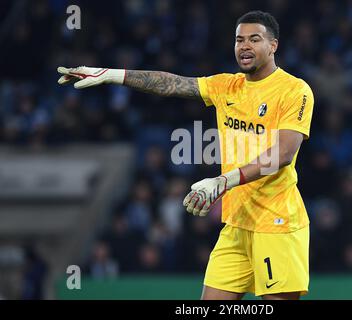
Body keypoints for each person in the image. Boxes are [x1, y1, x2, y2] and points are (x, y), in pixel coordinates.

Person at [57, 10, 314, 300]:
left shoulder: (294, 90)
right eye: (239, 39)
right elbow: (172, 83)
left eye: (254, 39)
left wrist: (223, 181)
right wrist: (111, 75)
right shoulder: (227, 86)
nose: (244, 46)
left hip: (277, 224)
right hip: (237, 224)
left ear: (273, 46)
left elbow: (283, 154)